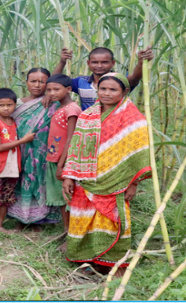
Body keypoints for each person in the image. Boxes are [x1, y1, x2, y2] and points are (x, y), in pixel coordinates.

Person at [61, 73, 151, 277]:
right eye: (103, 89)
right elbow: (76, 146)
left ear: (124, 92)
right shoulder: (87, 115)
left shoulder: (133, 118)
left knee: (112, 219)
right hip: (86, 178)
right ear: (97, 91)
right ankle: (85, 260)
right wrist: (69, 175)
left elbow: (138, 152)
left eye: (113, 90)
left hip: (116, 179)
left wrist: (133, 183)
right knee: (83, 218)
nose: (107, 93)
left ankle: (112, 262)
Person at [8, 67, 59, 230]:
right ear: (26, 83)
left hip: (42, 152)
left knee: (39, 180)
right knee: (21, 180)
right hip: (19, 151)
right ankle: (20, 218)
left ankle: (39, 220)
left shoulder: (54, 104)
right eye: (33, 81)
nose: (37, 85)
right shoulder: (16, 104)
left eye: (42, 82)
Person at [0, 88, 35, 234]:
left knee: (5, 198)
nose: (6, 108)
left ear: (14, 105)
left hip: (12, 168)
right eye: (1, 105)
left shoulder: (13, 121)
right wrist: (23, 141)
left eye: (9, 105)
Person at [53, 47, 154, 110]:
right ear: (88, 63)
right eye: (95, 62)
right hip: (88, 128)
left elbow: (134, 79)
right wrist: (62, 62)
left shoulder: (118, 81)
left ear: (113, 63)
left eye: (104, 62)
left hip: (113, 125)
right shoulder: (80, 82)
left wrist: (141, 62)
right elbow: (55, 81)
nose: (99, 65)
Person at [44, 74, 82, 241]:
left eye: (56, 89)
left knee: (68, 197)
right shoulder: (59, 107)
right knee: (62, 198)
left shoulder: (72, 109)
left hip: (64, 160)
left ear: (68, 89)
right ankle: (66, 230)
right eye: (49, 90)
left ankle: (72, 232)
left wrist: (61, 164)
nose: (52, 93)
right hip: (55, 158)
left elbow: (71, 138)